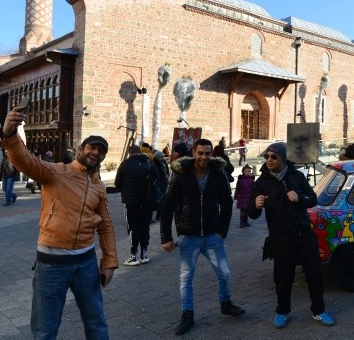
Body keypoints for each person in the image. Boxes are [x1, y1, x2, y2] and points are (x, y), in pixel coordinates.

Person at [0, 106, 117, 339]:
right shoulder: (55, 172)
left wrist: (109, 260)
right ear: (81, 149)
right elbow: (25, 161)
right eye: (92, 147)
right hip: (52, 264)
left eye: (101, 151)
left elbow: (106, 226)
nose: (96, 153)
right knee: (45, 330)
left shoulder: (99, 186)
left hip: (86, 264)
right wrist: (10, 135)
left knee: (97, 323)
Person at [160, 138, 245, 335]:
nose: (204, 157)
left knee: (224, 273)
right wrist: (166, 237)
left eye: (207, 153)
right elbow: (167, 206)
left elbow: (226, 203)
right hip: (188, 236)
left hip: (212, 235)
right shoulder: (181, 174)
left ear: (211, 154)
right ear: (193, 152)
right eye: (200, 153)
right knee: (186, 277)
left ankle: (226, 303)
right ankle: (187, 315)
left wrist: (222, 230)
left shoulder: (217, 173)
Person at [247, 142, 335, 329]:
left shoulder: (297, 177)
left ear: (283, 158)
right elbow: (251, 214)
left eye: (274, 156)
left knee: (314, 273)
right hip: (280, 237)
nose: (269, 160)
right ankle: (282, 311)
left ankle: (318, 310)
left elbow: (312, 200)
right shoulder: (261, 182)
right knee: (283, 277)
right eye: (267, 156)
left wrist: (299, 198)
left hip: (304, 233)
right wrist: (255, 204)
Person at [115, 145, 159, 266]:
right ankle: (144, 254)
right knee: (145, 226)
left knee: (133, 227)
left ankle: (133, 256)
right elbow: (157, 178)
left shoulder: (125, 164)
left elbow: (117, 183)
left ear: (130, 153)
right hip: (147, 201)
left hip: (130, 201)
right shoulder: (149, 163)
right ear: (139, 152)